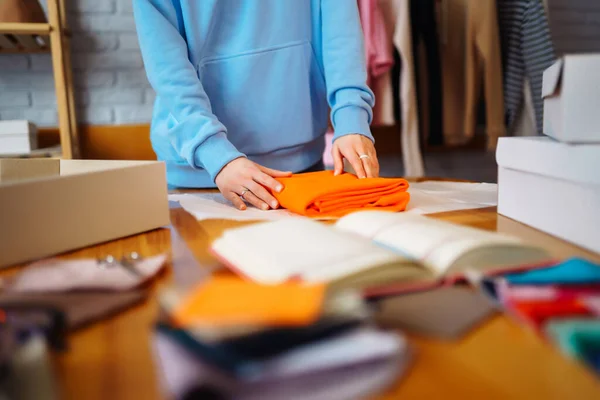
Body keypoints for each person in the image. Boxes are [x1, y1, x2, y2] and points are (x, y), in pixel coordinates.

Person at [133, 0, 380, 211]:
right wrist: (213, 151)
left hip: (302, 165)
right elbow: (166, 63)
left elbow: (340, 27)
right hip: (199, 172)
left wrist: (352, 117)